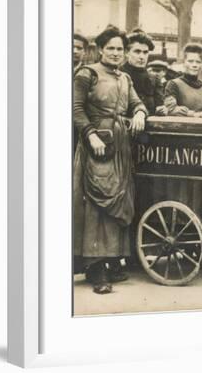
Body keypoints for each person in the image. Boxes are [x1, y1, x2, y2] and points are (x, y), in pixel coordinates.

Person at [73, 27, 148, 294]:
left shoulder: (125, 77)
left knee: (119, 199)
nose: (116, 53)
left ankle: (113, 261)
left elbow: (137, 103)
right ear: (101, 49)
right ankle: (95, 269)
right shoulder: (87, 74)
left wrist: (139, 113)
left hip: (121, 147)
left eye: (120, 49)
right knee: (97, 203)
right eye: (111, 48)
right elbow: (76, 108)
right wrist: (90, 134)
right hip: (97, 144)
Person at [161, 43, 202, 118]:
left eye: (198, 62)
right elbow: (170, 109)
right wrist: (194, 114)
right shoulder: (173, 84)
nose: (194, 65)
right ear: (183, 63)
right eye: (190, 61)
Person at [120, 29, 164, 115]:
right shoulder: (118, 75)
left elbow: (160, 105)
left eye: (145, 52)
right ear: (126, 53)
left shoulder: (154, 78)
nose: (142, 57)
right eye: (137, 52)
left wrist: (162, 110)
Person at [73, 34, 89, 155]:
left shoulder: (88, 74)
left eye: (79, 48)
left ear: (85, 52)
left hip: (79, 128)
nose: (75, 51)